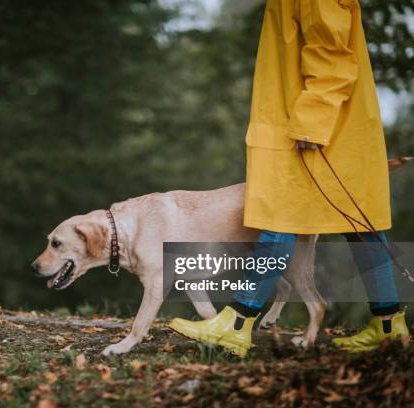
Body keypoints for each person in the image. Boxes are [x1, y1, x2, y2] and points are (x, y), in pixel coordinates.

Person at [169, 0, 409, 357]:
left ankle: (237, 321)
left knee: (281, 217)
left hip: (317, 131)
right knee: (361, 223)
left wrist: (311, 124)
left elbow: (334, 58)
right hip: (325, 129)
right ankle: (389, 324)